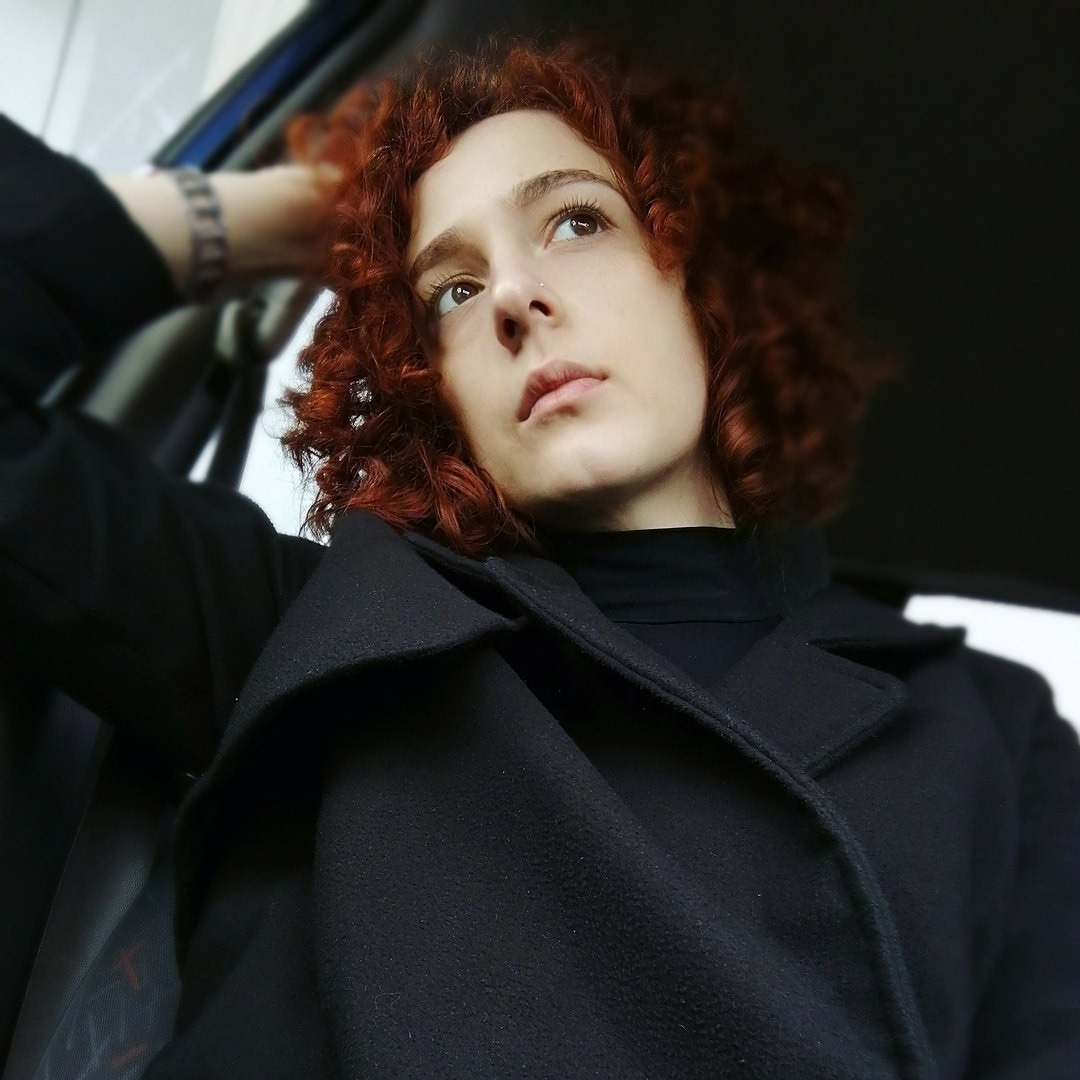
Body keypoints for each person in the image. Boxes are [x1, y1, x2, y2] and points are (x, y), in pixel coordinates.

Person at [1, 38, 1078, 1080]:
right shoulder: (315, 629)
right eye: (452, 290)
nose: (514, 296)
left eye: (576, 221)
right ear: (434, 391)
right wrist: (277, 215)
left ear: (704, 284)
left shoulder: (990, 732)